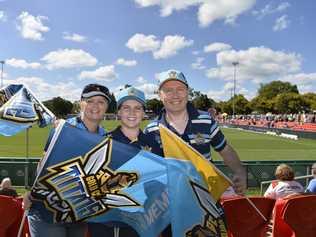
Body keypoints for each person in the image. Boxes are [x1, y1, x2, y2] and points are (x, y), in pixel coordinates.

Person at [144, 69, 246, 236]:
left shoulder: (206, 120)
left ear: (188, 92)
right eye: (168, 90)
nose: (175, 95)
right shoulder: (151, 129)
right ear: (159, 95)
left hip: (206, 202)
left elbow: (225, 149)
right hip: (171, 209)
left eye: (180, 89)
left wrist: (240, 171)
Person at [23, 83, 111, 237]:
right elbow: (44, 165)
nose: (95, 106)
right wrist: (30, 192)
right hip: (48, 210)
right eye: (90, 101)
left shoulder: (107, 138)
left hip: (79, 213)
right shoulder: (62, 130)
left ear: (107, 106)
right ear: (80, 103)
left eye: (101, 102)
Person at [89, 86, 162, 237]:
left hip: (140, 222)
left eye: (137, 108)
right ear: (119, 112)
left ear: (143, 113)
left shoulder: (154, 144)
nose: (132, 113)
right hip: (107, 223)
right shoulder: (103, 143)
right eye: (126, 108)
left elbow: (159, 184)